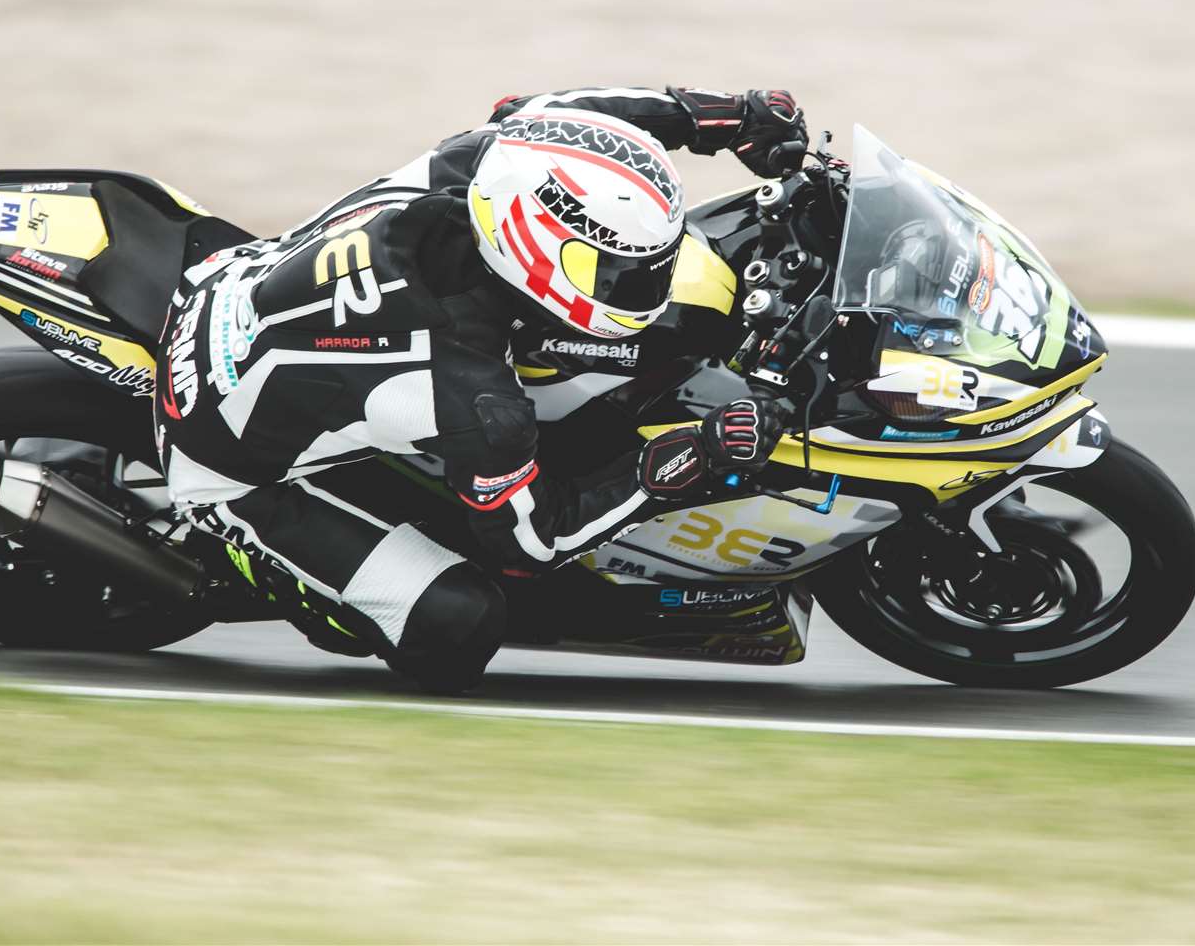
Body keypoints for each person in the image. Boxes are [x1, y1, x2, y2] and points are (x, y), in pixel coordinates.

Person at [154, 87, 807, 690]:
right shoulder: (471, 391)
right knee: (459, 625)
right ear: (533, 248)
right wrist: (694, 455)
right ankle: (252, 564)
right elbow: (537, 542)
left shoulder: (482, 162)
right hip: (226, 464)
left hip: (231, 277)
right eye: (612, 273)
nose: (640, 288)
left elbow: (567, 115)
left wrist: (725, 117)